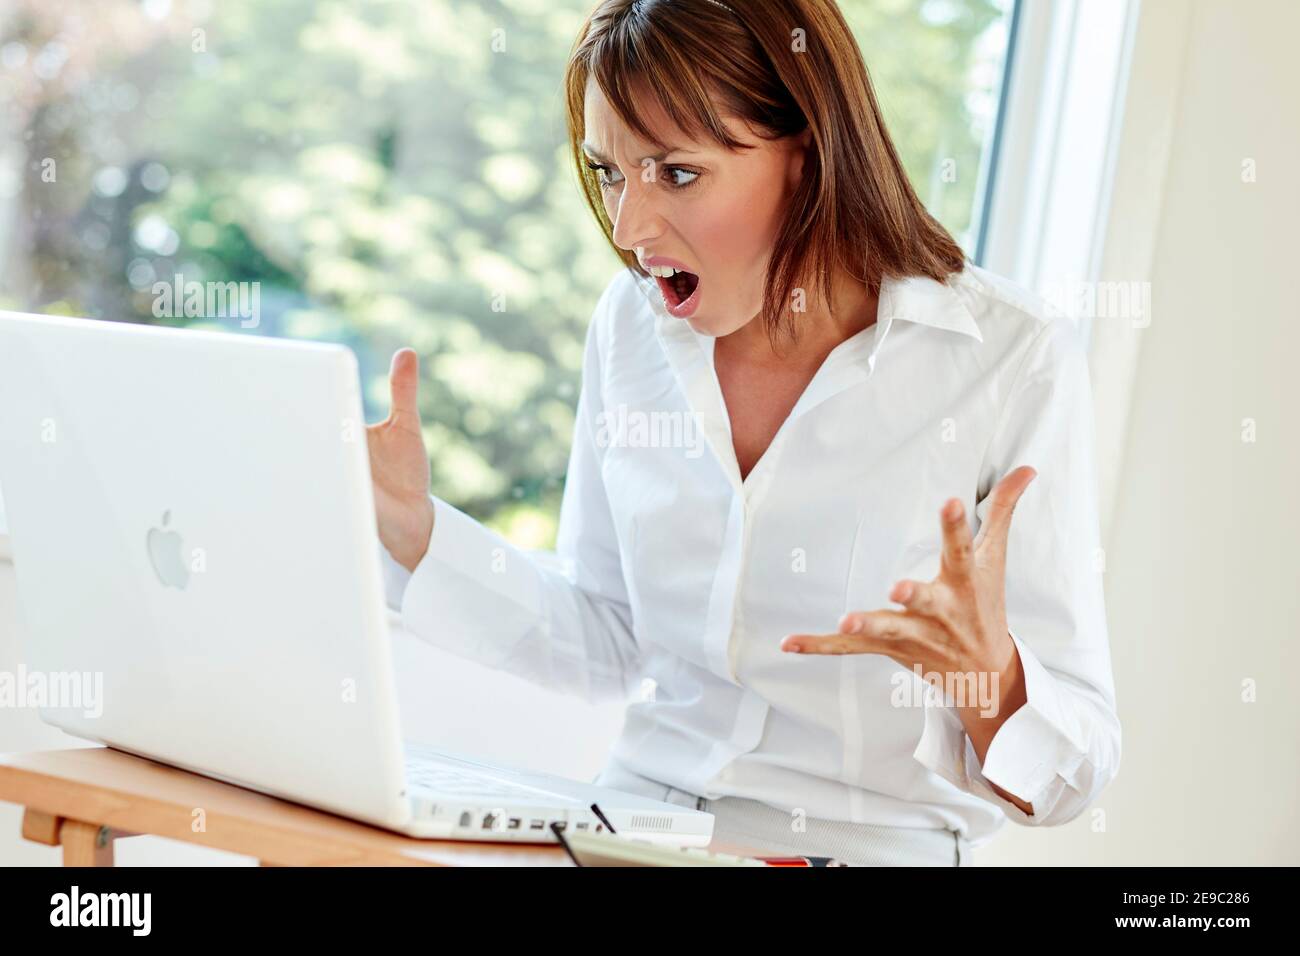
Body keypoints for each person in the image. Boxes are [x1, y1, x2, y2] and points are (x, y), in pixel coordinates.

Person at [368, 0, 1120, 866]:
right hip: (629, 830)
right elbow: (612, 639)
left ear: (808, 157)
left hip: (864, 847)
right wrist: (416, 533)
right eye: (610, 172)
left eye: (676, 174)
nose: (628, 229)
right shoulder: (631, 327)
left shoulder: (1008, 357)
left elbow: (1079, 768)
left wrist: (989, 679)